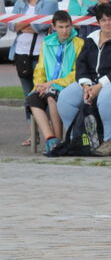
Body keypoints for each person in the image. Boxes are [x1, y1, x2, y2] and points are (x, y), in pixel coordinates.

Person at [56, 2, 111, 156]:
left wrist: (100, 85)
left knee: (107, 96)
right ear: (98, 22)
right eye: (103, 20)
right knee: (65, 98)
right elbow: (81, 64)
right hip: (92, 84)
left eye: (110, 19)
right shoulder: (91, 39)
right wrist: (86, 85)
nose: (107, 23)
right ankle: (78, 138)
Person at [9, 0, 60, 142]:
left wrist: (22, 24)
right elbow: (11, 25)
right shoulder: (20, 1)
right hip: (20, 52)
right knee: (27, 96)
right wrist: (26, 24)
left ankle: (49, 131)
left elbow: (41, 26)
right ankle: (33, 133)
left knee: (42, 93)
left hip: (41, 53)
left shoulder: (50, 0)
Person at [26, 10, 84, 155]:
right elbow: (40, 68)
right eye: (61, 27)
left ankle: (58, 141)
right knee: (32, 99)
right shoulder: (46, 43)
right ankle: (50, 138)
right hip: (46, 86)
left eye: (67, 26)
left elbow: (77, 72)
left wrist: (52, 83)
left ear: (72, 26)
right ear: (53, 27)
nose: (65, 31)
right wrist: (39, 85)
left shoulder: (79, 43)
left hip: (65, 86)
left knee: (51, 97)